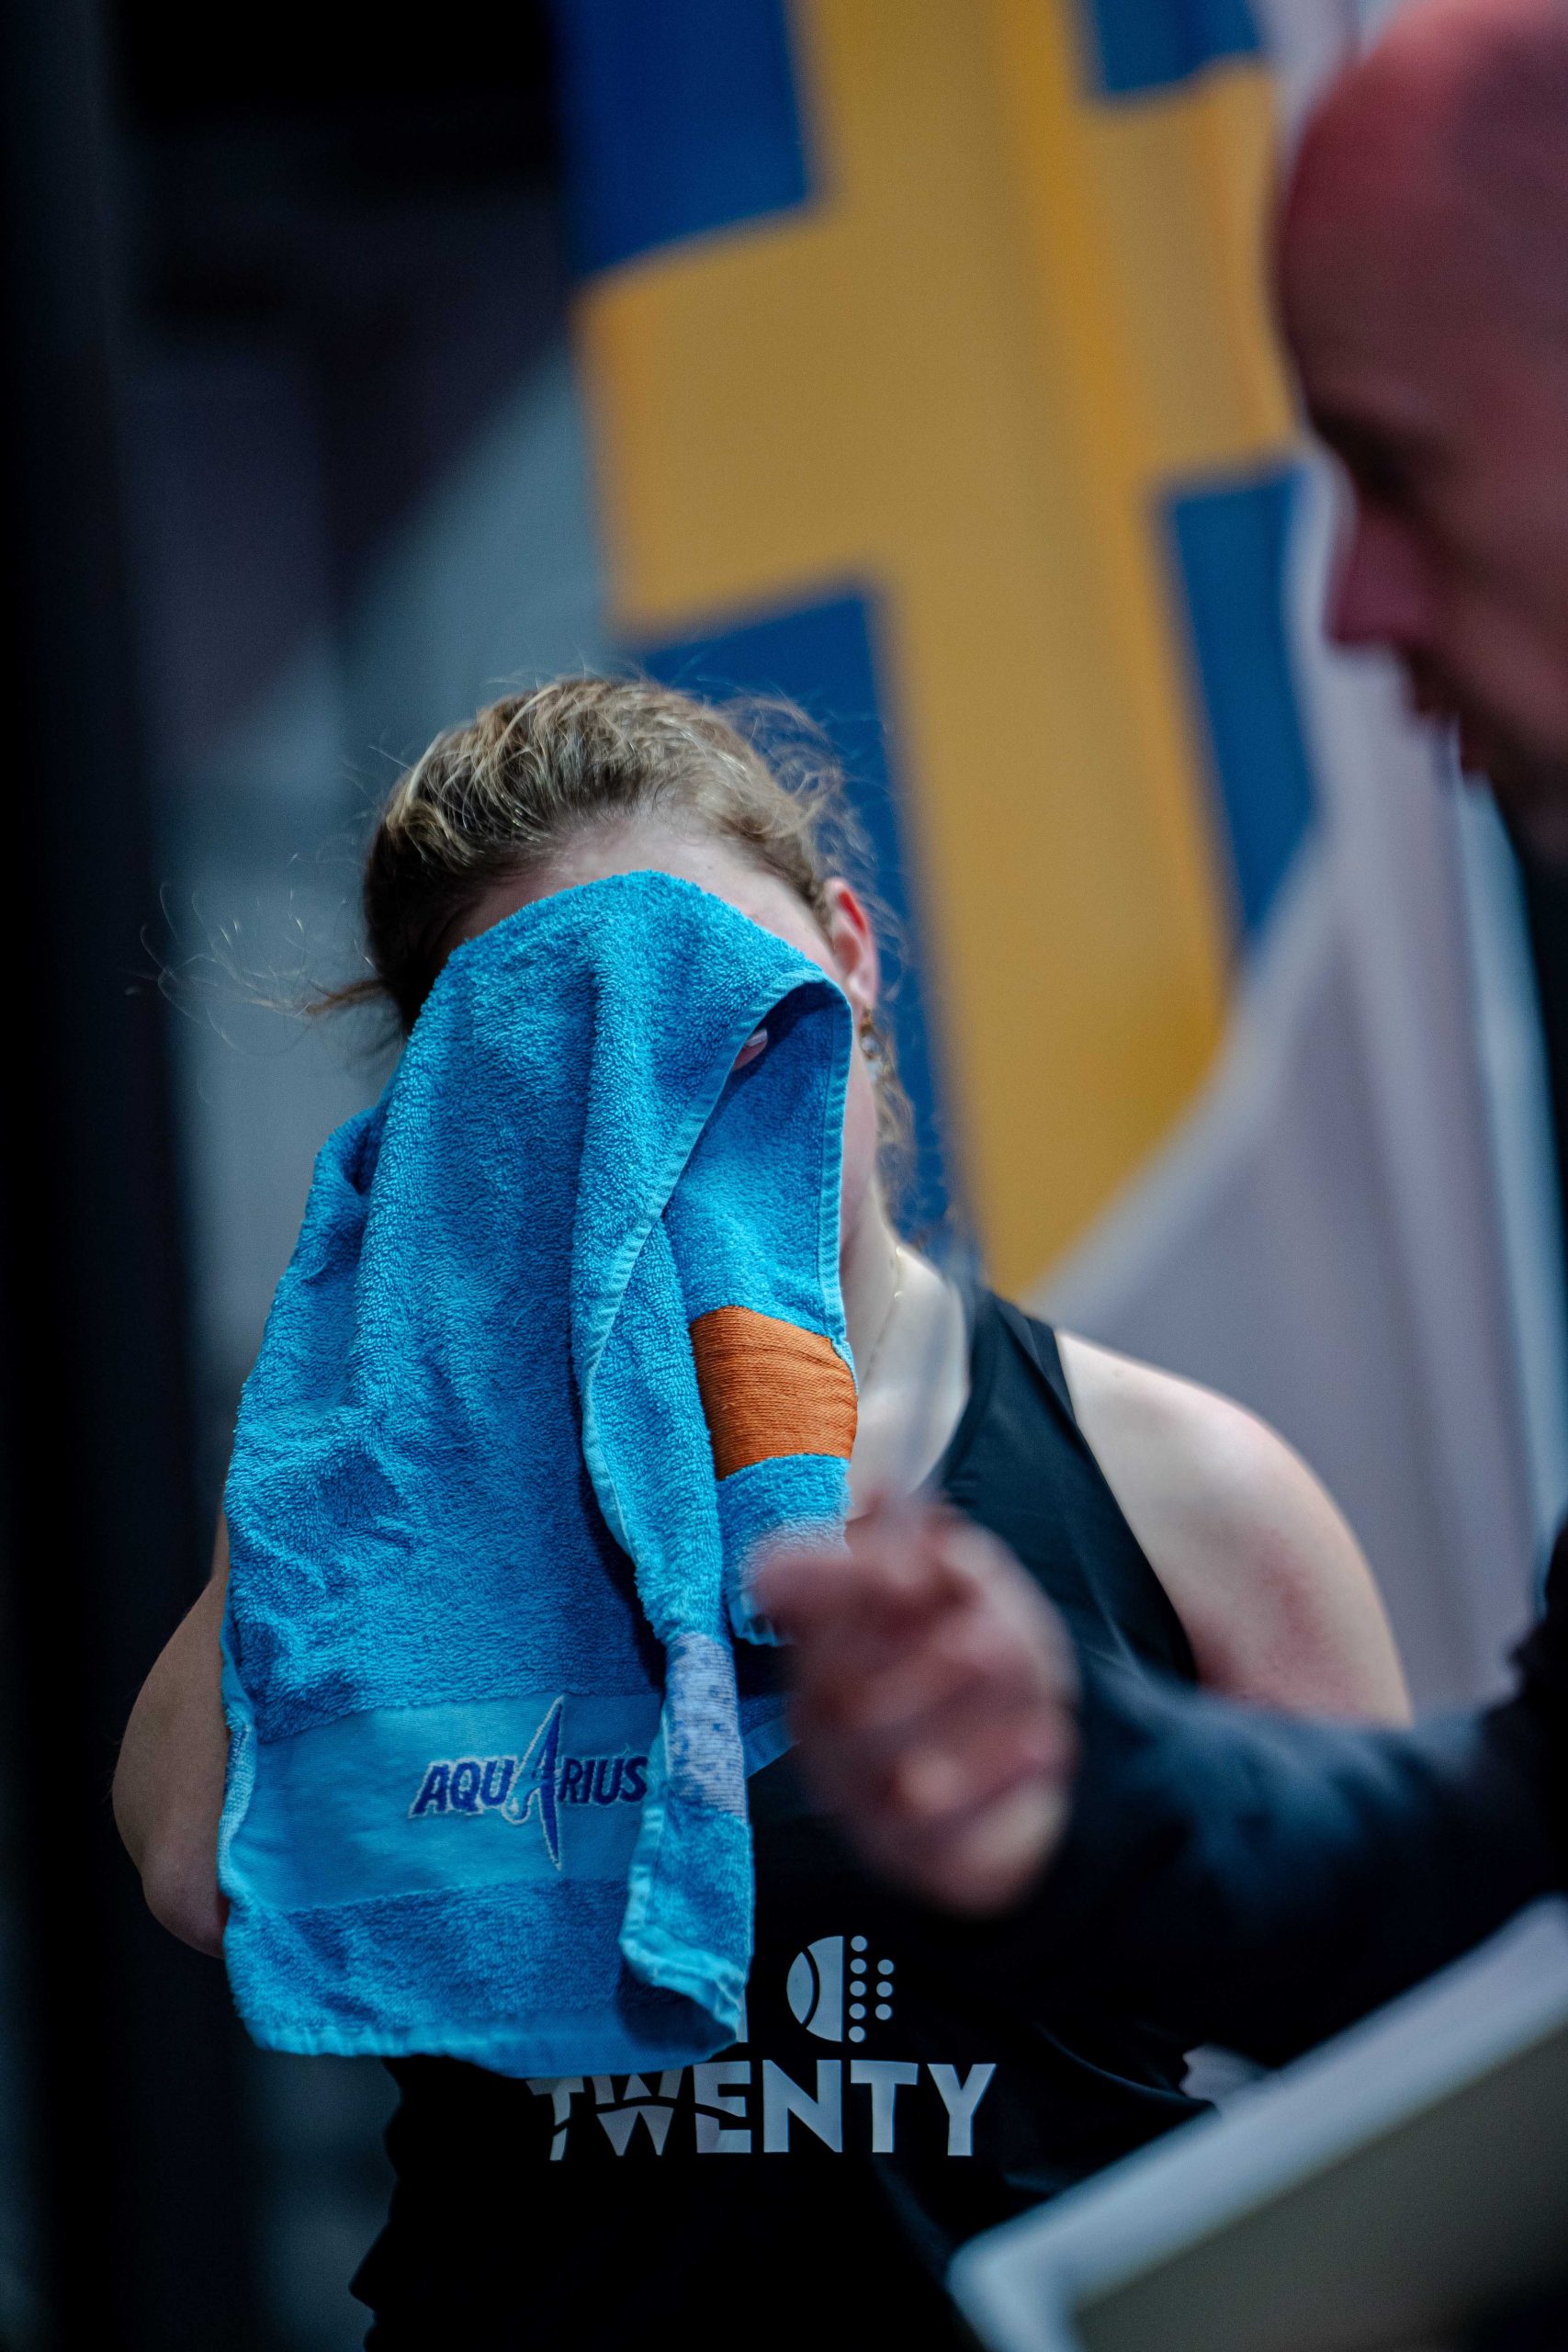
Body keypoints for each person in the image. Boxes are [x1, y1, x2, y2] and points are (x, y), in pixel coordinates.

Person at [116, 680, 1408, 2349]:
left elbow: (1403, 2055)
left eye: (718, 995)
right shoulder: (413, 1511)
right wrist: (397, 1362)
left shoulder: (1179, 1489)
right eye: (577, 1045)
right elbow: (194, 1866)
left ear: (850, 958)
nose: (669, 1094)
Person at [755, 0, 1568, 2058]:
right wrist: (1079, 1771)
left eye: (1395, 467)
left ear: (854, 960)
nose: (1349, 605)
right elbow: (1508, 1831)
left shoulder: (1174, 1462)